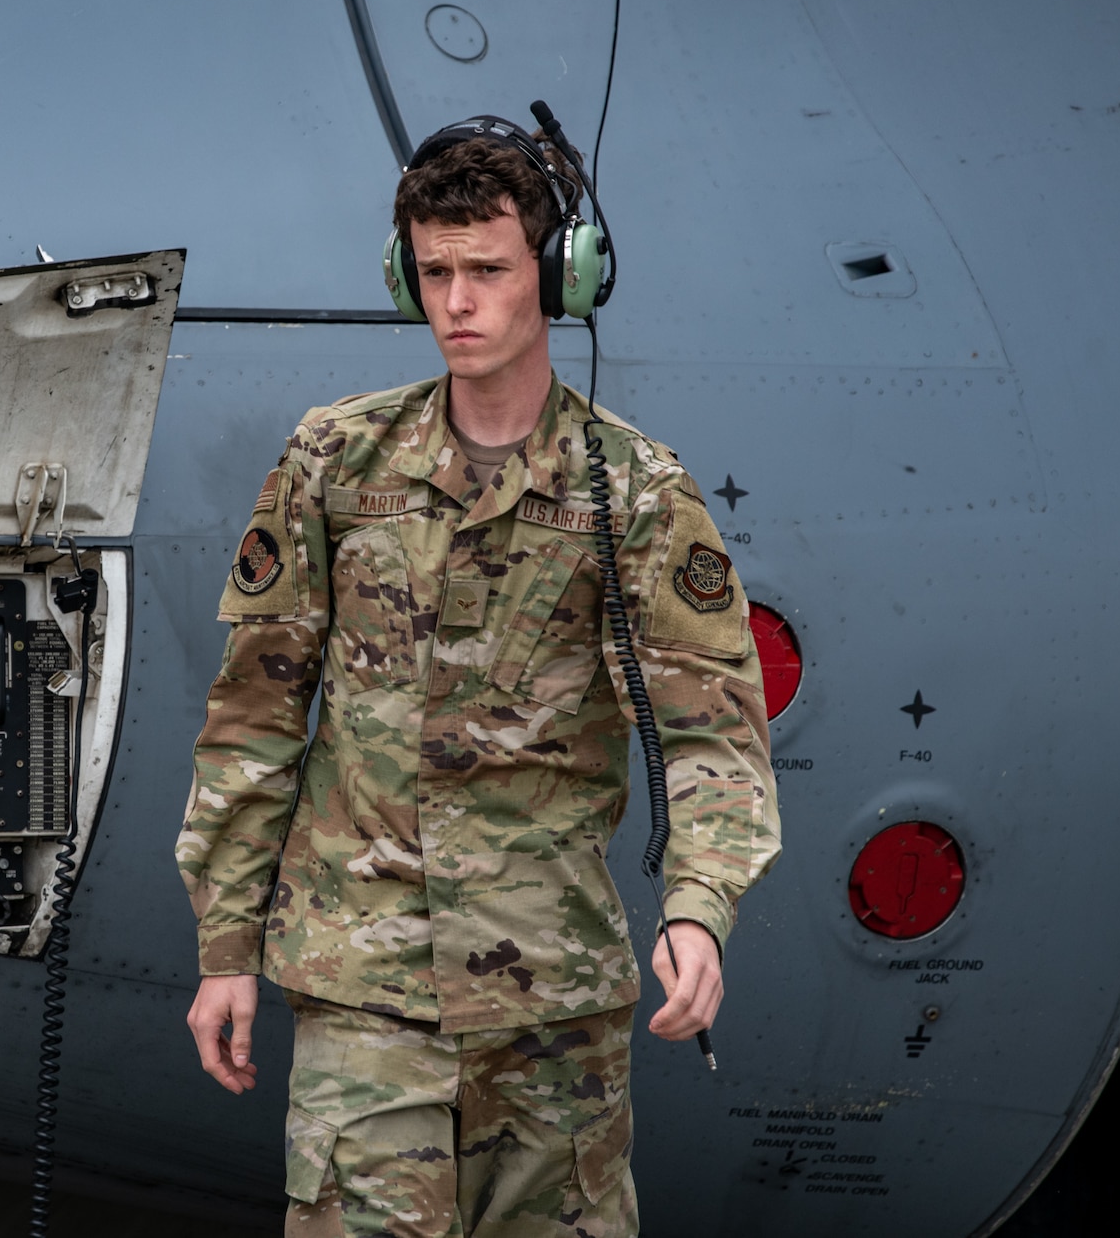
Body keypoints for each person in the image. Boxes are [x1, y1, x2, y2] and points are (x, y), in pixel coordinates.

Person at [173, 116, 781, 1237]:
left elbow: (712, 737)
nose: (456, 301)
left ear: (557, 274)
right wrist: (226, 947)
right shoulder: (334, 462)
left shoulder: (635, 493)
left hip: (552, 1007)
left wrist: (697, 912)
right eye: (434, 270)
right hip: (366, 992)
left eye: (487, 270)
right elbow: (254, 713)